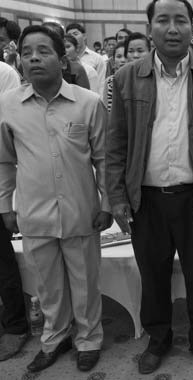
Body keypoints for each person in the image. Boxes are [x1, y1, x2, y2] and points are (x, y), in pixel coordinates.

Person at [106, 1, 193, 374]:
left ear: (191, 27)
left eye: (180, 20)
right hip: (145, 199)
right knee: (153, 273)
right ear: (150, 28)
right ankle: (158, 338)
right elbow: (115, 144)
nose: (172, 27)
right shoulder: (126, 78)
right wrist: (116, 197)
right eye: (162, 20)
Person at [0, 25, 112, 372]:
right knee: (47, 285)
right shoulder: (7, 106)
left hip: (80, 209)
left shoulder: (88, 103)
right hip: (34, 212)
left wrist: (107, 203)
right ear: (19, 59)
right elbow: (4, 161)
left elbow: (103, 159)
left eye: (43, 51)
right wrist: (5, 205)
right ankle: (54, 337)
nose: (33, 57)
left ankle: (89, 338)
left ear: (63, 59)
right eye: (27, 52)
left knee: (85, 282)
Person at [0, 51, 28, 364]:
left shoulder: (4, 73)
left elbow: (7, 147)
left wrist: (5, 201)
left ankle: (16, 324)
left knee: (2, 261)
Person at [42, 21, 91, 90]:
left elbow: (86, 98)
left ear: (62, 42)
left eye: (51, 39)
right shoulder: (31, 65)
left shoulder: (76, 70)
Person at [65, 23, 106, 93]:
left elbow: (101, 84)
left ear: (84, 36)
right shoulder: (63, 62)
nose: (72, 37)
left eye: (75, 34)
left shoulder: (97, 58)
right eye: (69, 35)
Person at [102, 42, 127, 111]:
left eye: (126, 56)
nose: (123, 60)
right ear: (113, 59)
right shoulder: (109, 81)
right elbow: (106, 108)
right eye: (119, 57)